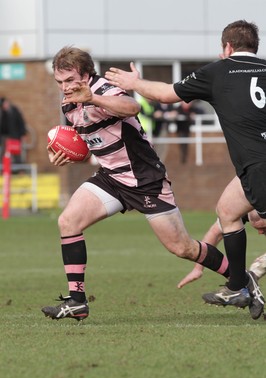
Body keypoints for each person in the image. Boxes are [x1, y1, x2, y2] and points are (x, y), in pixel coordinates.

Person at [41, 46, 233, 322]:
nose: (65, 87)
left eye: (70, 80)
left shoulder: (104, 88)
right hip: (111, 177)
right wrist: (69, 154)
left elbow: (132, 107)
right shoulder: (68, 104)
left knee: (183, 248)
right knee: (68, 222)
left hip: (144, 178)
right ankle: (77, 301)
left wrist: (93, 98)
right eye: (60, 82)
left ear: (86, 75)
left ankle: (240, 278)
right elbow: (95, 144)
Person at [105, 20, 266, 317]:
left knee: (235, 215)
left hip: (258, 165)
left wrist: (133, 84)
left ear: (227, 47)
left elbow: (166, 93)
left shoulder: (219, 70)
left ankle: (241, 286)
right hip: (253, 166)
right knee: (228, 210)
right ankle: (238, 286)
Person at [0, 97, 27, 163]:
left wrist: (23, 134)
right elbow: (2, 127)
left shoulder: (15, 111)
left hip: (15, 136)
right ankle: (5, 169)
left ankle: (20, 170)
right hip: (6, 137)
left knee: (17, 153)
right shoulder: (3, 114)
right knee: (5, 153)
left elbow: (21, 122)